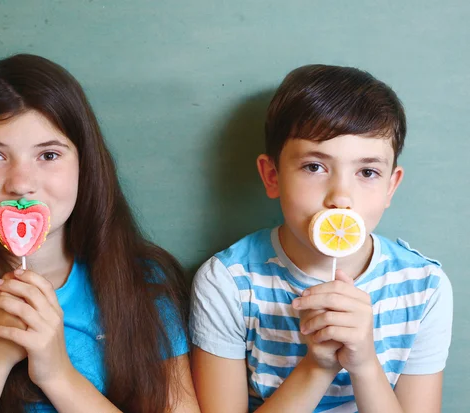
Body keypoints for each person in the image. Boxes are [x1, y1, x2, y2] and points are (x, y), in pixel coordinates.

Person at [0, 54, 200, 413]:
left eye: (48, 155)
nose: (20, 184)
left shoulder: (144, 283)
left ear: (85, 164)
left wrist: (57, 373)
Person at [189, 64, 453, 413]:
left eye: (367, 172)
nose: (340, 197)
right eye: (314, 166)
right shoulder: (227, 283)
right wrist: (318, 366)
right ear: (272, 176)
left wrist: (365, 365)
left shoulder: (424, 287)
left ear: (391, 186)